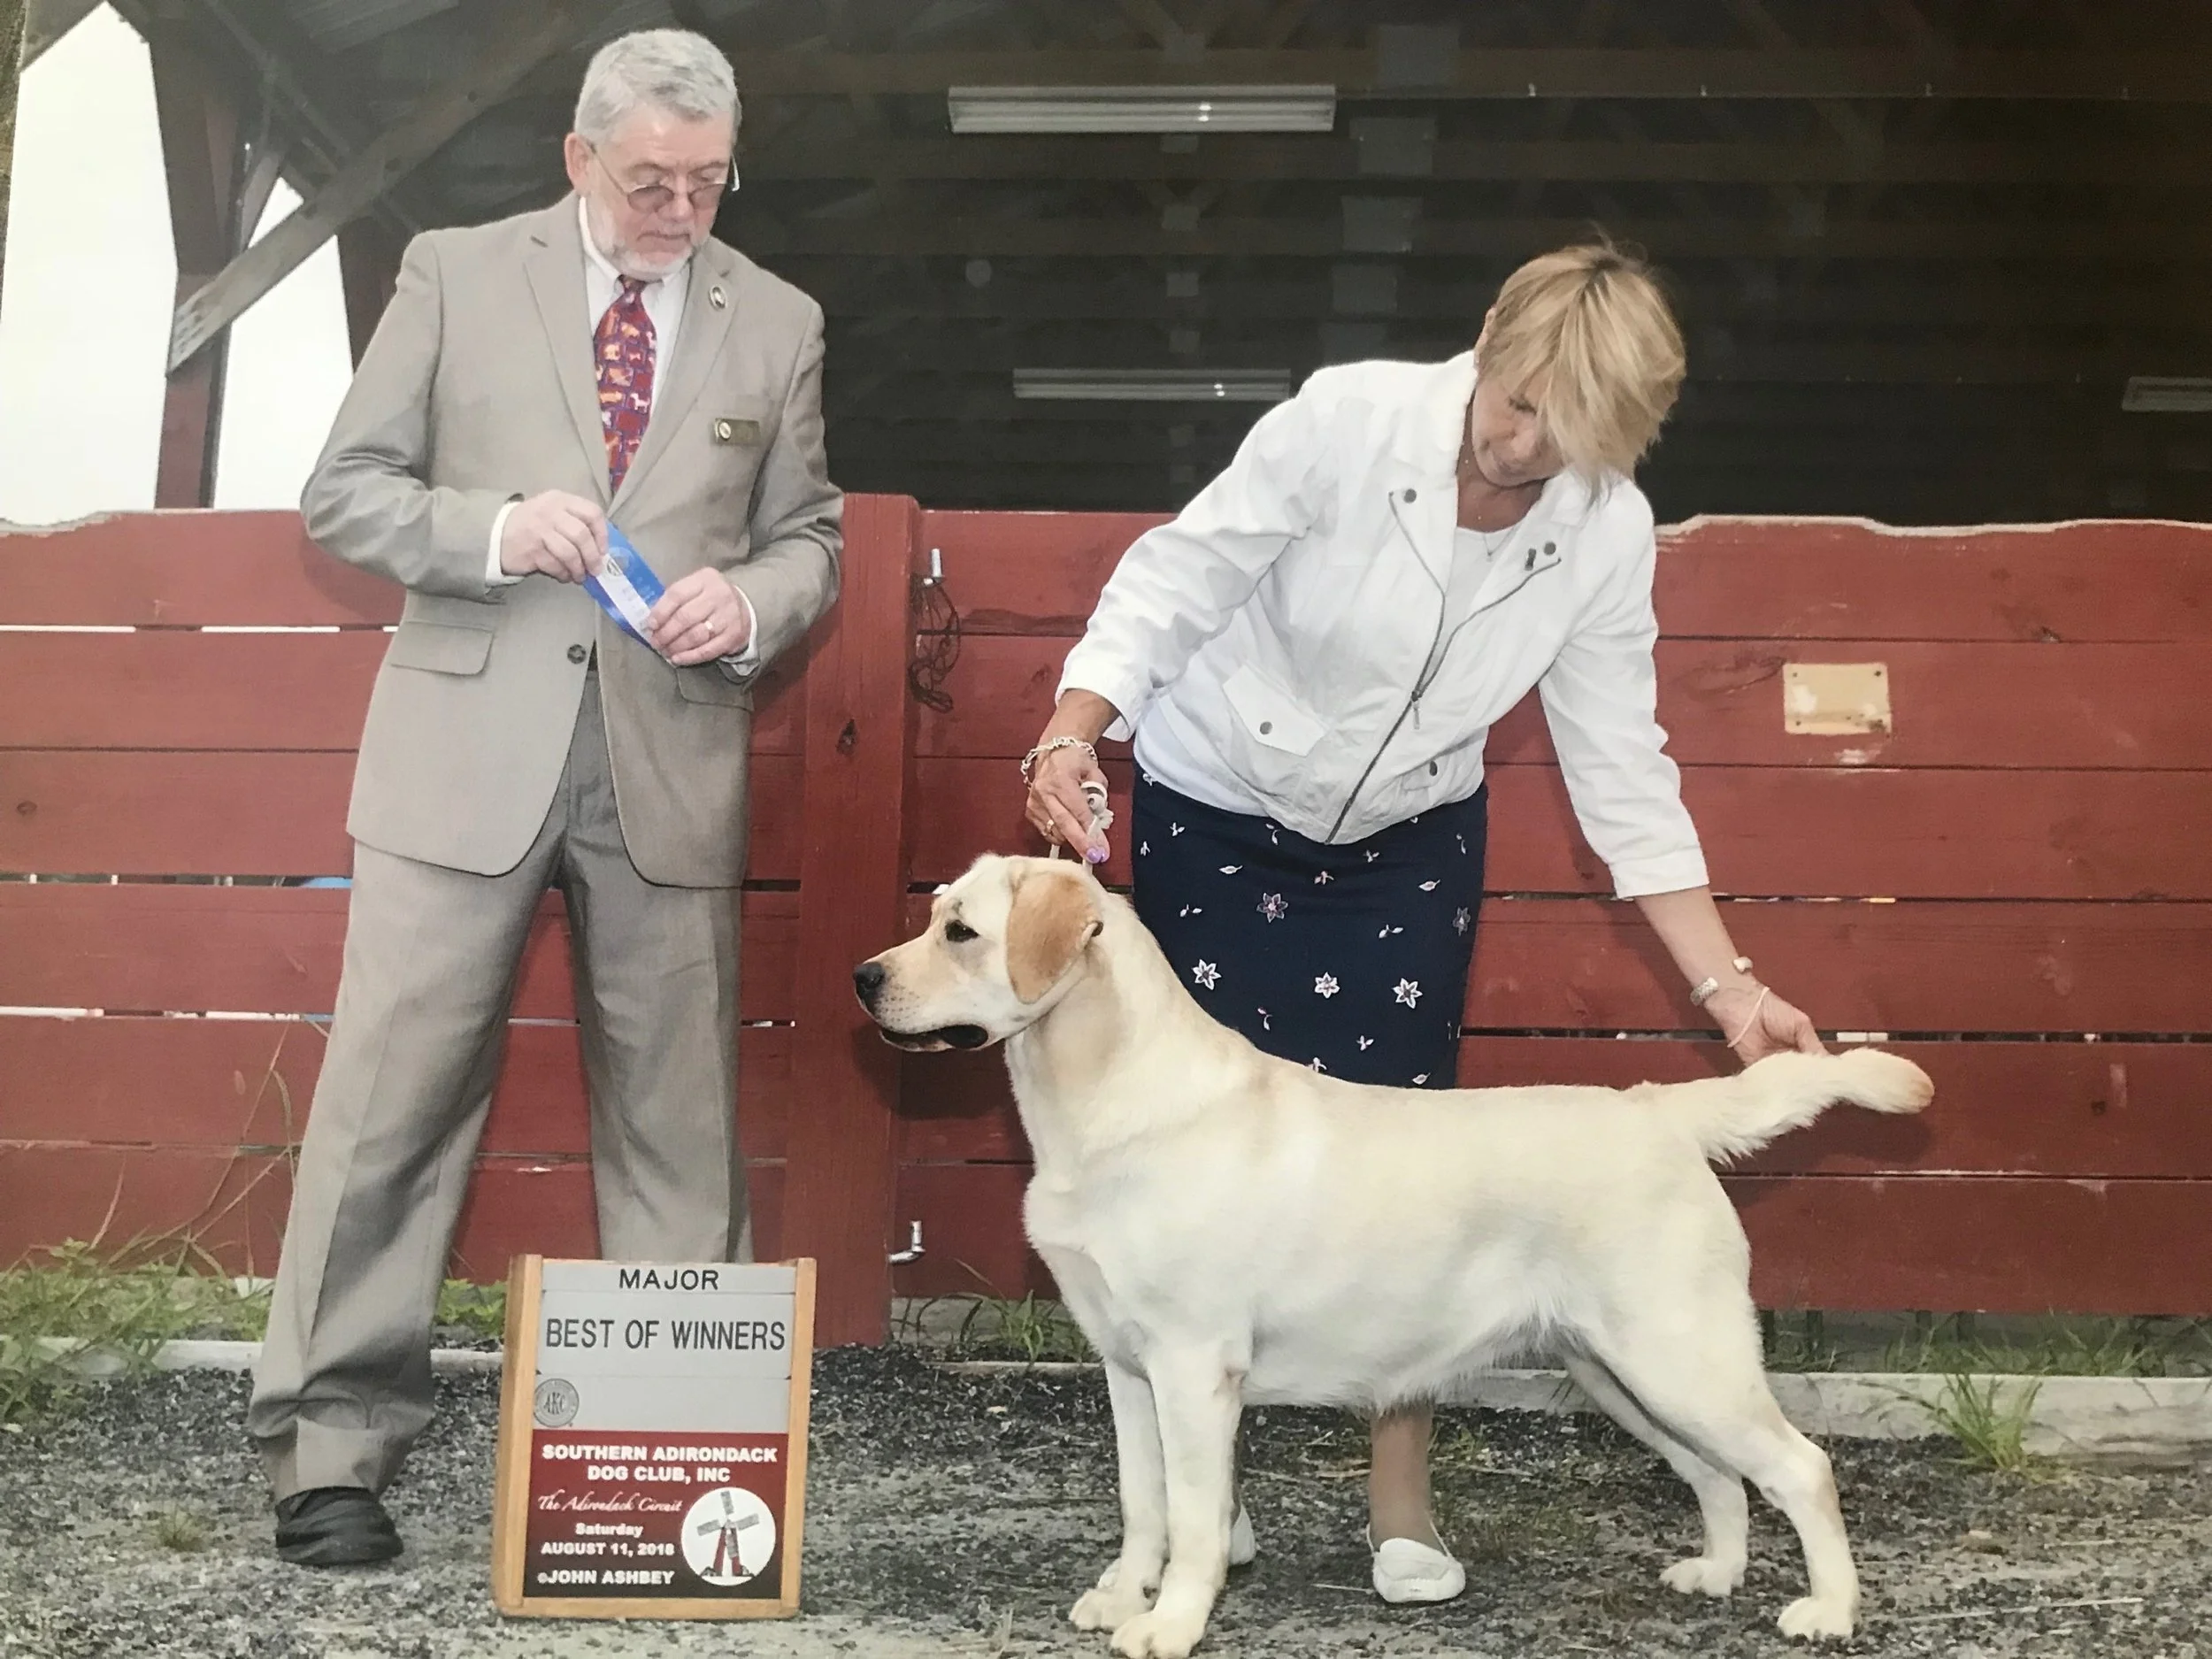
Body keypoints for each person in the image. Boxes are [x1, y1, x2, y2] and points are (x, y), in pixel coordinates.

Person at [1023, 242, 1823, 1606]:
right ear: (1489, 334)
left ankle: (1400, 1500)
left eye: (1566, 436)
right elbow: (1176, 581)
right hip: (1217, 808)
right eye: (1516, 404)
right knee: (1186, 1178)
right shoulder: (1345, 419)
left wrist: (1731, 992)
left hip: (1407, 844)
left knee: (1406, 1182)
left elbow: (1622, 770)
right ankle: (1204, 1506)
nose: (1522, 448)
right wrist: (1074, 726)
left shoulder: (1608, 530)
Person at [247, 28, 841, 1567]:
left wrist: (753, 605)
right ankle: (329, 1451)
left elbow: (812, 537)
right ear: (579, 158)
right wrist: (497, 529)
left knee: (678, 1131)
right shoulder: (452, 272)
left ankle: (679, 1475)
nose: (681, 212)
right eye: (650, 181)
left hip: (670, 767)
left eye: (708, 183)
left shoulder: (779, 319)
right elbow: (344, 494)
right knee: (390, 1109)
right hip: (461, 759)